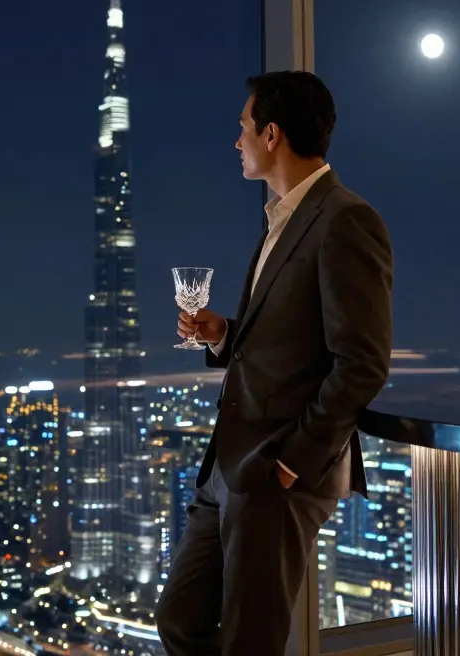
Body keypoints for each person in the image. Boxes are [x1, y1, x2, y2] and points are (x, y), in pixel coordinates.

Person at [154, 70, 394, 655]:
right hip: (229, 465)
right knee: (179, 620)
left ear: (271, 134)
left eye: (242, 128)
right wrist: (225, 335)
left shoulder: (343, 220)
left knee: (250, 640)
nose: (235, 141)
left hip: (276, 470)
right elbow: (290, 339)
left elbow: (361, 363)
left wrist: (293, 462)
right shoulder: (282, 221)